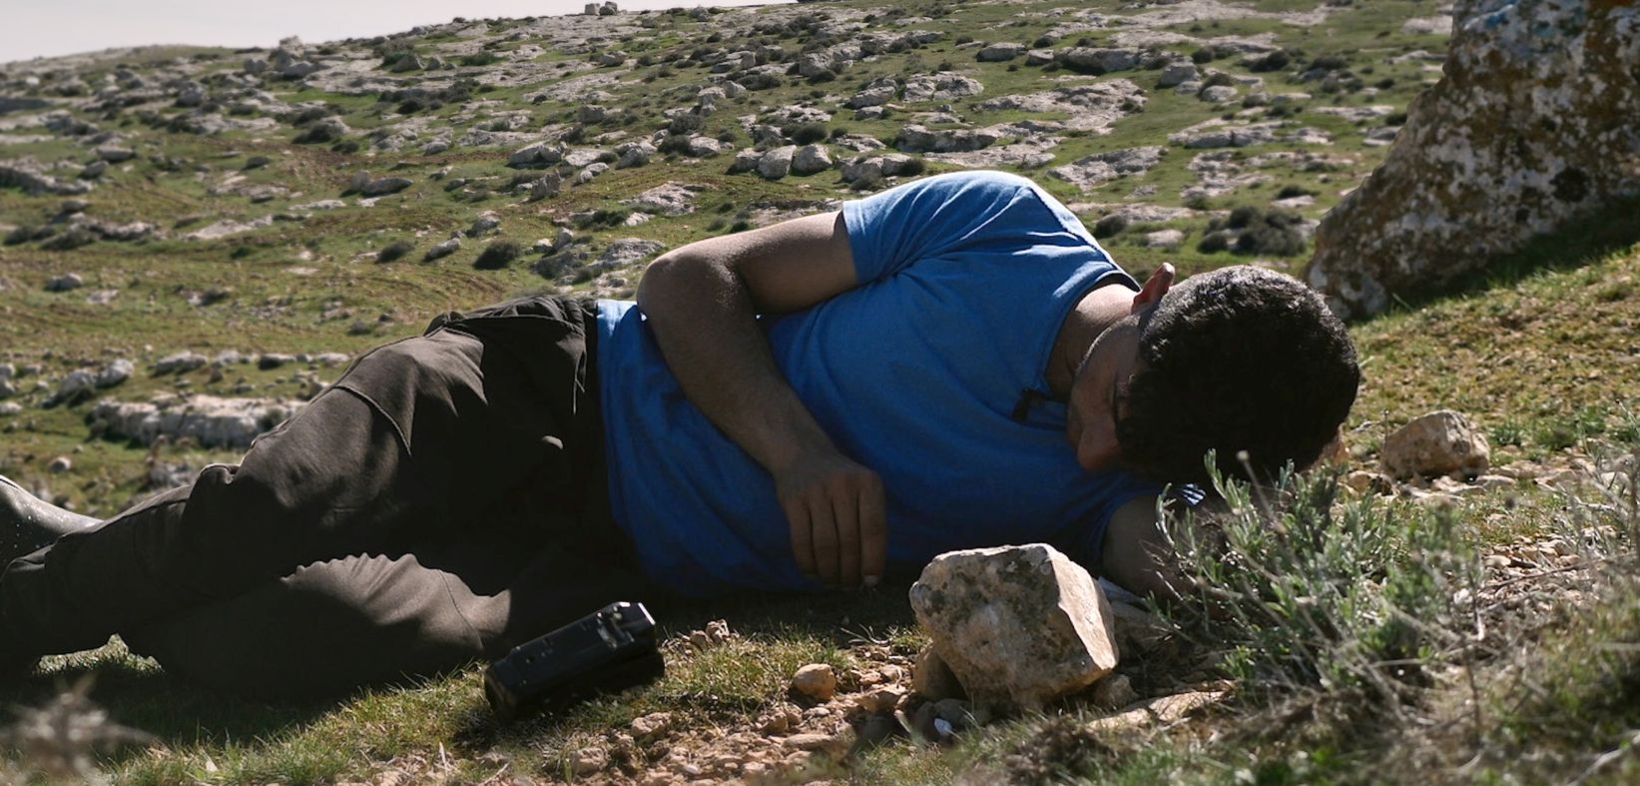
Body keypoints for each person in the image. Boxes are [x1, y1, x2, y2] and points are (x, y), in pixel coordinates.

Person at [0, 170, 1359, 698]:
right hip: (549, 384)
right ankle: (38, 598)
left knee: (303, 645)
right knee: (278, 506)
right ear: (1159, 291)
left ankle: (83, 555)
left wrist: (1283, 482)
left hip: (608, 564)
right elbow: (689, 280)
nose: (1099, 454)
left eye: (1147, 458)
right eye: (1121, 404)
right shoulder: (1000, 225)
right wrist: (797, 450)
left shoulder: (1113, 491)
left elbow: (1200, 566)